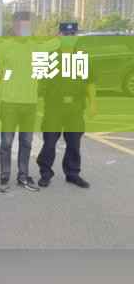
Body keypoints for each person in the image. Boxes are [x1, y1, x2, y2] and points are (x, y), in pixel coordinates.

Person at [0, 11, 59, 193]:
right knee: (6, 143)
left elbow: (56, 42)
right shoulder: (4, 47)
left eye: (26, 25)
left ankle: (23, 176)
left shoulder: (36, 47)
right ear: (13, 26)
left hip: (29, 104)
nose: (22, 29)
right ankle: (4, 176)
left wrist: (62, 36)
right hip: (9, 103)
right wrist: (7, 81)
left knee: (26, 143)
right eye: (19, 25)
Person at [36, 22, 97, 188]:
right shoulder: (50, 58)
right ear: (59, 36)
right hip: (54, 107)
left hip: (75, 107)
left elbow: (90, 82)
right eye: (66, 34)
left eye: (73, 34)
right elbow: (40, 84)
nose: (70, 37)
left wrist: (93, 103)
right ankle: (45, 173)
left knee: (74, 143)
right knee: (49, 142)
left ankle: (72, 173)